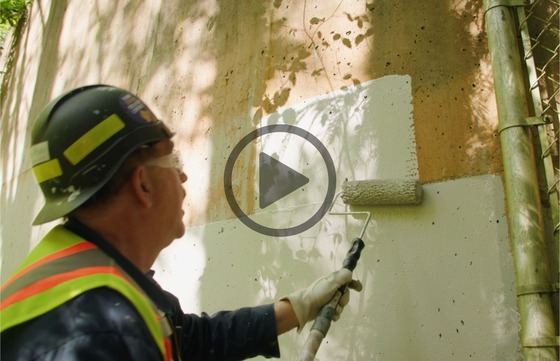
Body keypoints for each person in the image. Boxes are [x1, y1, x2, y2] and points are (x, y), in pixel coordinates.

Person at [0, 85, 361, 360]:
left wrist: (297, 307)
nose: (184, 178)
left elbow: (186, 338)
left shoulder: (86, 278)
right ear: (142, 184)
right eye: (173, 163)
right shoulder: (100, 332)